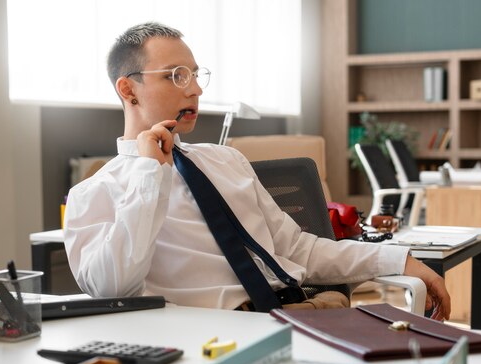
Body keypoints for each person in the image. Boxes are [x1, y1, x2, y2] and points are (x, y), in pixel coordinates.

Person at [64, 22, 451, 320]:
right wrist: (149, 175)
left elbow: (298, 249)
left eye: (196, 74)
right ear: (128, 90)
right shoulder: (94, 194)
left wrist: (399, 260)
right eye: (175, 75)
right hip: (218, 334)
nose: (195, 89)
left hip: (301, 313)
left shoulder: (226, 161)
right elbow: (111, 287)